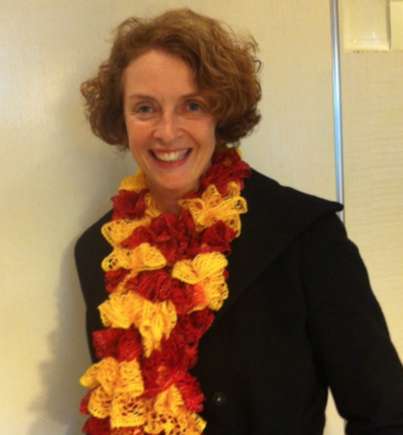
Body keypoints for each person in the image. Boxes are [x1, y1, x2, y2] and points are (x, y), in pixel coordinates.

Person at [74, 8, 403, 435]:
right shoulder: (99, 251)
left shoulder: (305, 235)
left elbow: (385, 415)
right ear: (121, 120)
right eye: (145, 108)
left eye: (192, 105)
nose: (167, 131)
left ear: (221, 113)